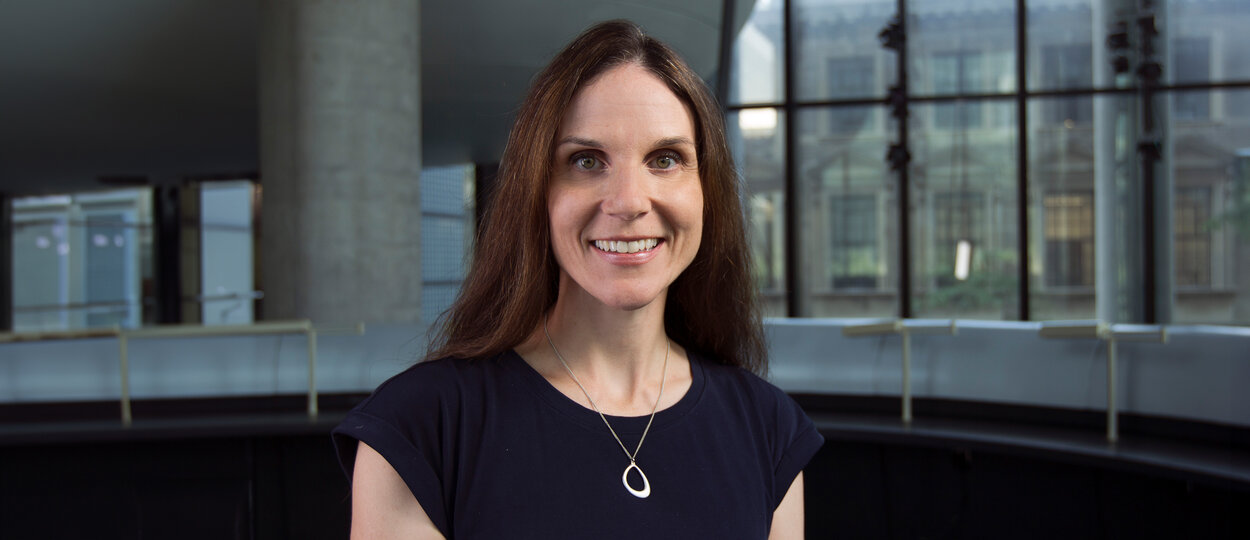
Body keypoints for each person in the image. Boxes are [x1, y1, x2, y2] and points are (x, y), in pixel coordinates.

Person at [332, 20, 823, 539]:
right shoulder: (421, 429)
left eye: (666, 159)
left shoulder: (769, 430)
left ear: (708, 193)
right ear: (536, 192)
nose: (630, 201)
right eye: (586, 161)